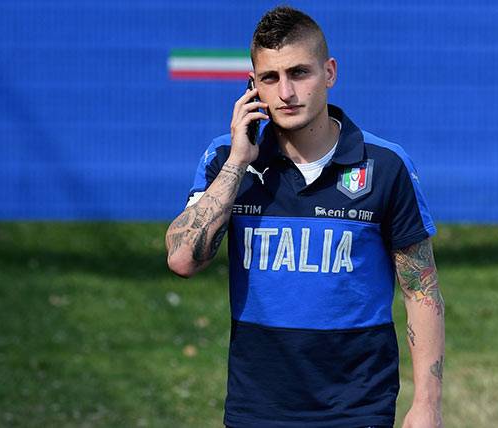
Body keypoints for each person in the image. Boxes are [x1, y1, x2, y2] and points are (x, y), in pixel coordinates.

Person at [165, 6, 444, 428]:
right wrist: (239, 162)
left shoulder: (386, 165)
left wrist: (427, 404)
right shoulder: (225, 159)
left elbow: (421, 289)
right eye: (270, 78)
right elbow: (183, 259)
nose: (285, 93)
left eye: (299, 73)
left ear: (329, 73)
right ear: (252, 85)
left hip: (357, 409)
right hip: (256, 410)